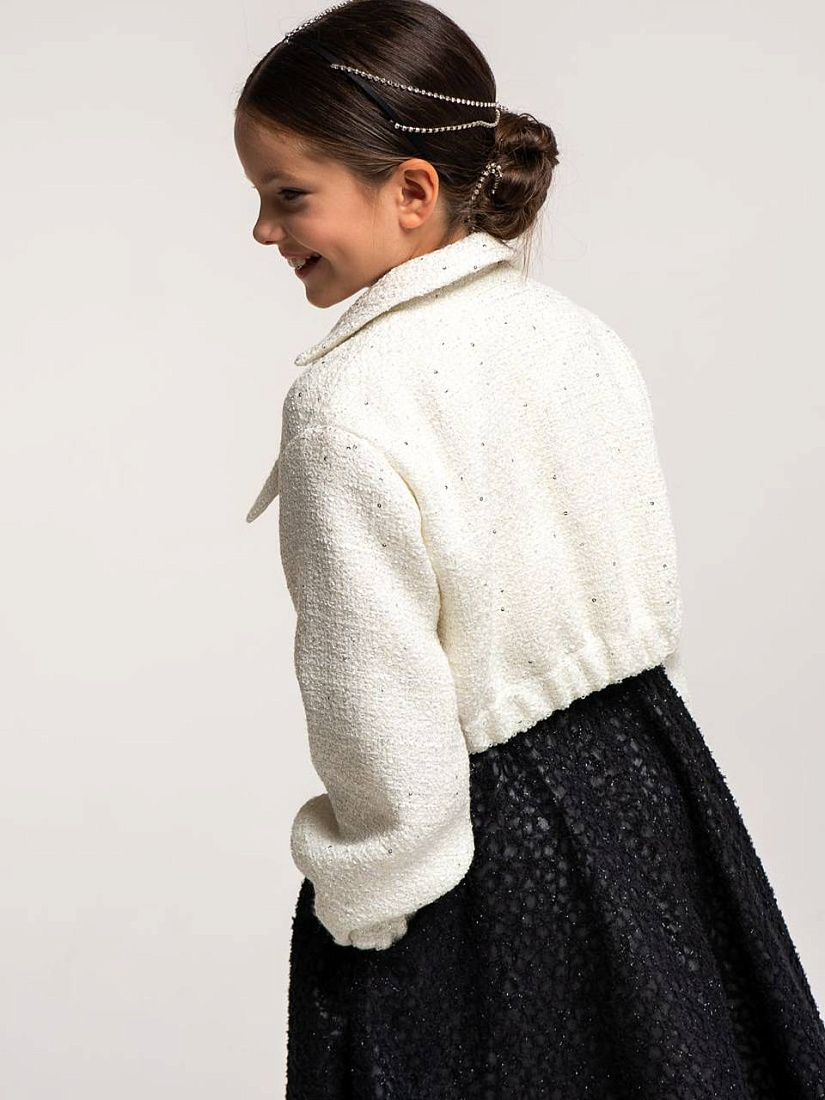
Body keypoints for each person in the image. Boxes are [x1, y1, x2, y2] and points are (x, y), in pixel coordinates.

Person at [233, 1, 825, 1096]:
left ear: (413, 191)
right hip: (653, 785)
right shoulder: (577, 336)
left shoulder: (346, 404)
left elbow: (380, 715)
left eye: (288, 194)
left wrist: (363, 910)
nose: (264, 230)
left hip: (485, 851)